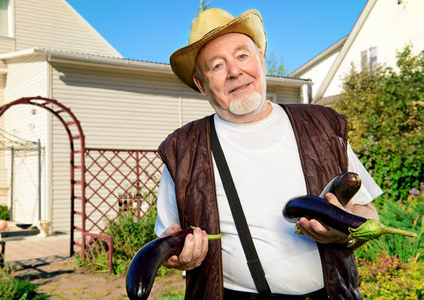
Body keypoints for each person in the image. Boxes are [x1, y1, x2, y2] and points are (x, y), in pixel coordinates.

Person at [155, 8, 382, 300]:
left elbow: (366, 211)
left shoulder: (323, 126)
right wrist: (178, 257)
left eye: (242, 56)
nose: (234, 71)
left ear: (261, 61)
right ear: (201, 85)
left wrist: (346, 232)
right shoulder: (182, 149)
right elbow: (167, 238)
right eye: (217, 66)